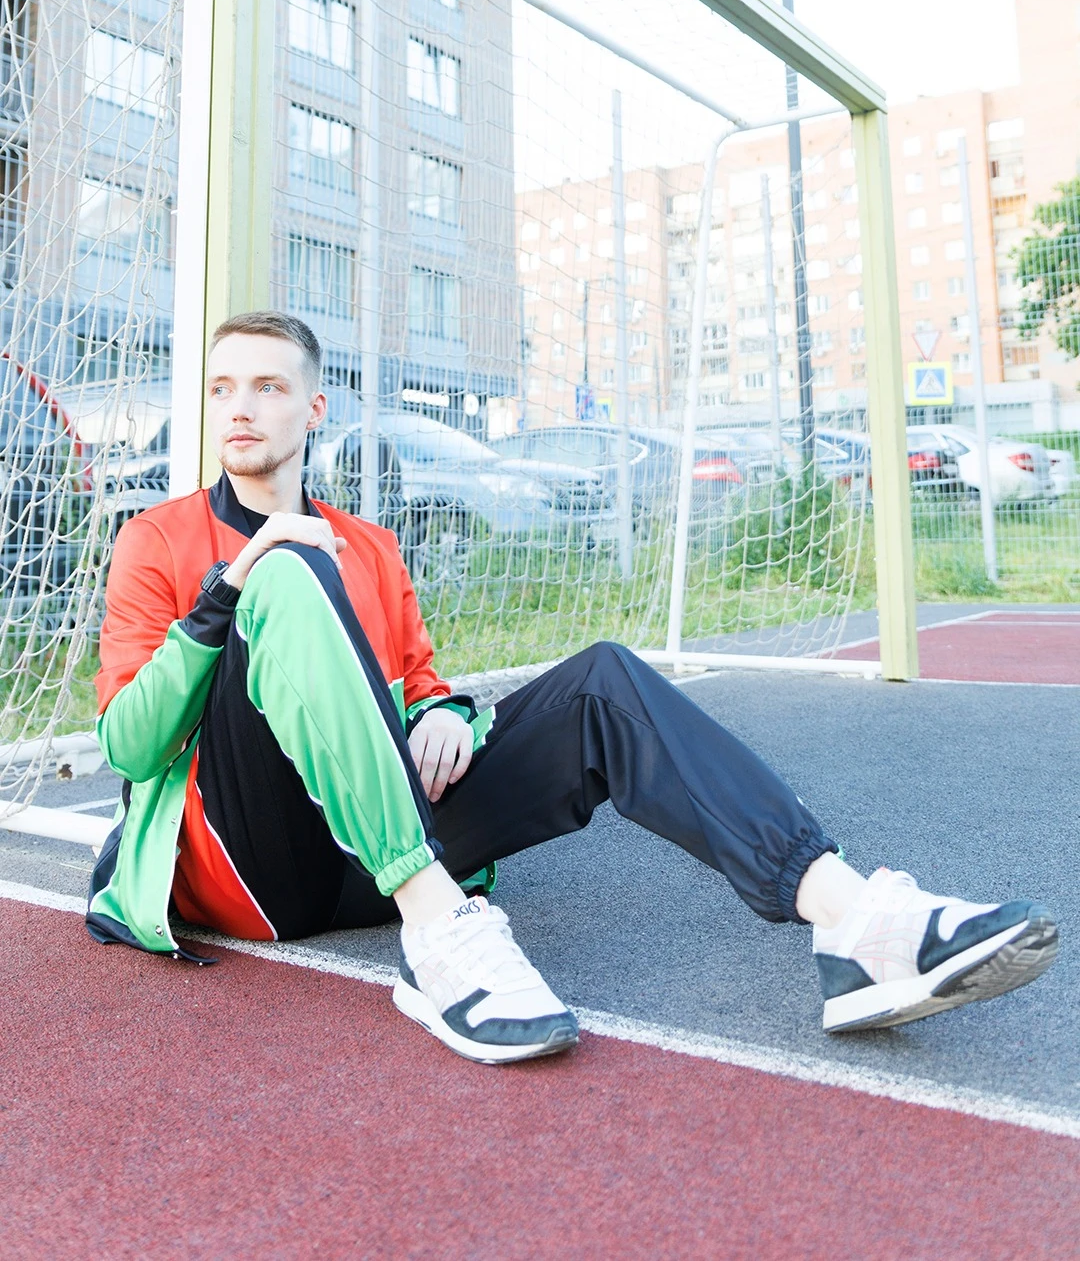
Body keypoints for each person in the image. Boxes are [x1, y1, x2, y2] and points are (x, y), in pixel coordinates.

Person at [87, 311, 1058, 1065]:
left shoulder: (371, 547)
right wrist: (223, 598)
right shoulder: (157, 540)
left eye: (268, 386)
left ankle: (853, 921)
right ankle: (440, 931)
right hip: (249, 865)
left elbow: (420, 682)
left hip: (368, 848)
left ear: (314, 409)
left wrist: (441, 715)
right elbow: (130, 746)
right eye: (222, 388)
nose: (242, 407)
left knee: (603, 680)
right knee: (286, 571)